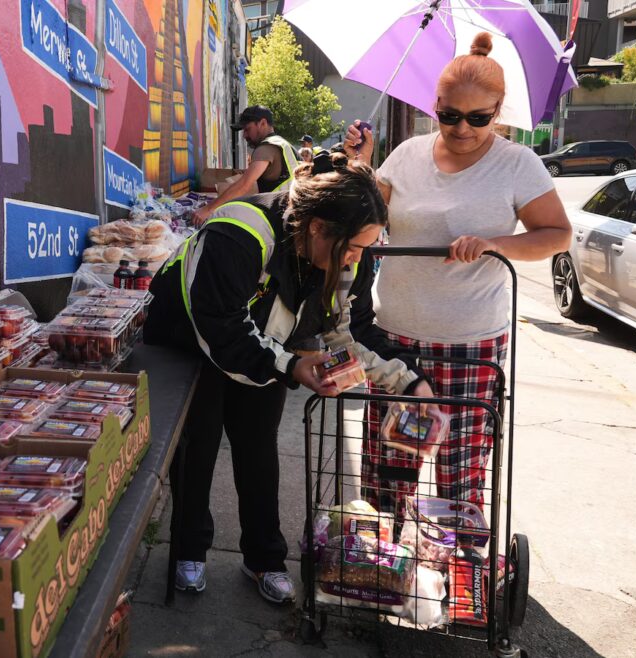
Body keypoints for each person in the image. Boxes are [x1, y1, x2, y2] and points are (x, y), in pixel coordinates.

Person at [145, 155, 434, 604]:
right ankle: (188, 549)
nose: (357, 259)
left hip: (269, 347)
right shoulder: (239, 232)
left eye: (365, 248)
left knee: (258, 447)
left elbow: (352, 331)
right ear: (318, 227)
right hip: (189, 342)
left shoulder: (348, 257)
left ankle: (264, 558)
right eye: (353, 247)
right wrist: (290, 365)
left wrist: (411, 382)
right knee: (197, 446)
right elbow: (220, 326)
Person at [342, 32, 571, 513]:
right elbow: (369, 218)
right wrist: (359, 165)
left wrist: (493, 244)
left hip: (470, 343)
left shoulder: (517, 164)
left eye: (478, 118)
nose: (462, 128)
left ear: (498, 110)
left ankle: (459, 567)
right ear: (436, 104)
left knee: (459, 474)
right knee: (389, 470)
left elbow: (556, 234)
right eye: (450, 115)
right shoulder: (406, 154)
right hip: (393, 340)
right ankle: (384, 568)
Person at [191, 106, 299, 226]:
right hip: (291, 216)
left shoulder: (266, 147)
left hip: (281, 219)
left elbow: (244, 185)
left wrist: (208, 209)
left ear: (262, 123)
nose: (244, 136)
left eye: (248, 129)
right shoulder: (283, 144)